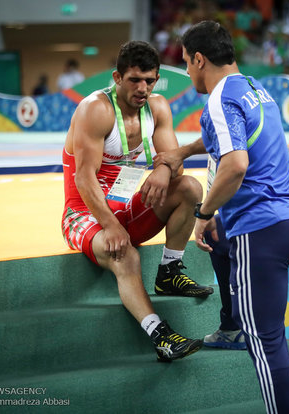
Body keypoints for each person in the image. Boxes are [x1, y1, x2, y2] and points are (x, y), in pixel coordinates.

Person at [154, 21, 289, 414]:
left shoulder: (219, 99)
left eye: (188, 63)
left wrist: (203, 213)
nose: (188, 71)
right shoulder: (254, 88)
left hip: (261, 230)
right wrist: (184, 151)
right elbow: (228, 136)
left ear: (200, 59)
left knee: (264, 340)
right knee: (220, 242)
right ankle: (229, 323)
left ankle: (240, 333)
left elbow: (235, 163)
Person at [61, 40, 214, 362]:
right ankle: (161, 335)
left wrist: (161, 171)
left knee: (188, 187)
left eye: (150, 80)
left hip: (126, 210)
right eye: (134, 80)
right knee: (125, 255)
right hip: (84, 214)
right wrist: (110, 225)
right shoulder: (96, 110)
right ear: (117, 78)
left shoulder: (157, 107)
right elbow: (84, 178)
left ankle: (170, 270)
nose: (143, 88)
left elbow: (176, 163)